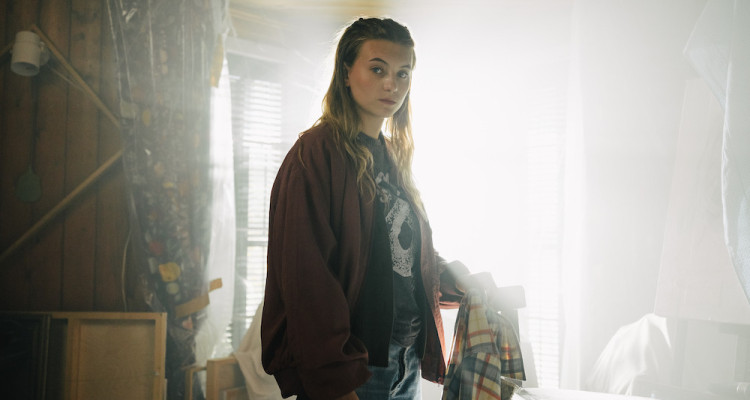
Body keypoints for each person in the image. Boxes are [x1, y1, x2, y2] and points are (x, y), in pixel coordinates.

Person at [261, 17, 467, 400]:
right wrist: (336, 379)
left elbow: (404, 257)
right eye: (377, 69)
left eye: (403, 73)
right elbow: (307, 279)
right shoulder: (316, 153)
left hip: (404, 361)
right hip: (355, 368)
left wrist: (460, 281)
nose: (392, 84)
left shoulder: (393, 157)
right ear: (345, 73)